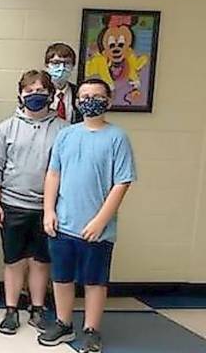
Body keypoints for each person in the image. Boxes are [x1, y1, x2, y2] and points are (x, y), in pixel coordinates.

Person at [37, 79, 136, 353]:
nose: (90, 100)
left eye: (96, 95)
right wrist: (48, 211)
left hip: (98, 229)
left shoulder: (117, 137)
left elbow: (122, 183)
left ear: (108, 100)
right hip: (62, 223)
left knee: (94, 280)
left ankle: (92, 329)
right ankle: (63, 322)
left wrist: (101, 221)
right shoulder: (66, 135)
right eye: (84, 96)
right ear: (77, 102)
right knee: (61, 277)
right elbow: (53, 174)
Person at [0, 70, 68, 334]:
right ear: (20, 95)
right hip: (11, 204)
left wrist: (54, 208)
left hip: (48, 208)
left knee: (41, 261)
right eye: (30, 91)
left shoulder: (64, 131)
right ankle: (11, 310)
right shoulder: (6, 128)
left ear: (51, 95)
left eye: (41, 91)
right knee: (13, 260)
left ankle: (37, 308)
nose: (35, 96)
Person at [44, 42, 82, 124]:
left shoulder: (78, 92)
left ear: (73, 66)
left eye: (67, 63)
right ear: (47, 66)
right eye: (56, 63)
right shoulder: (40, 91)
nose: (62, 68)